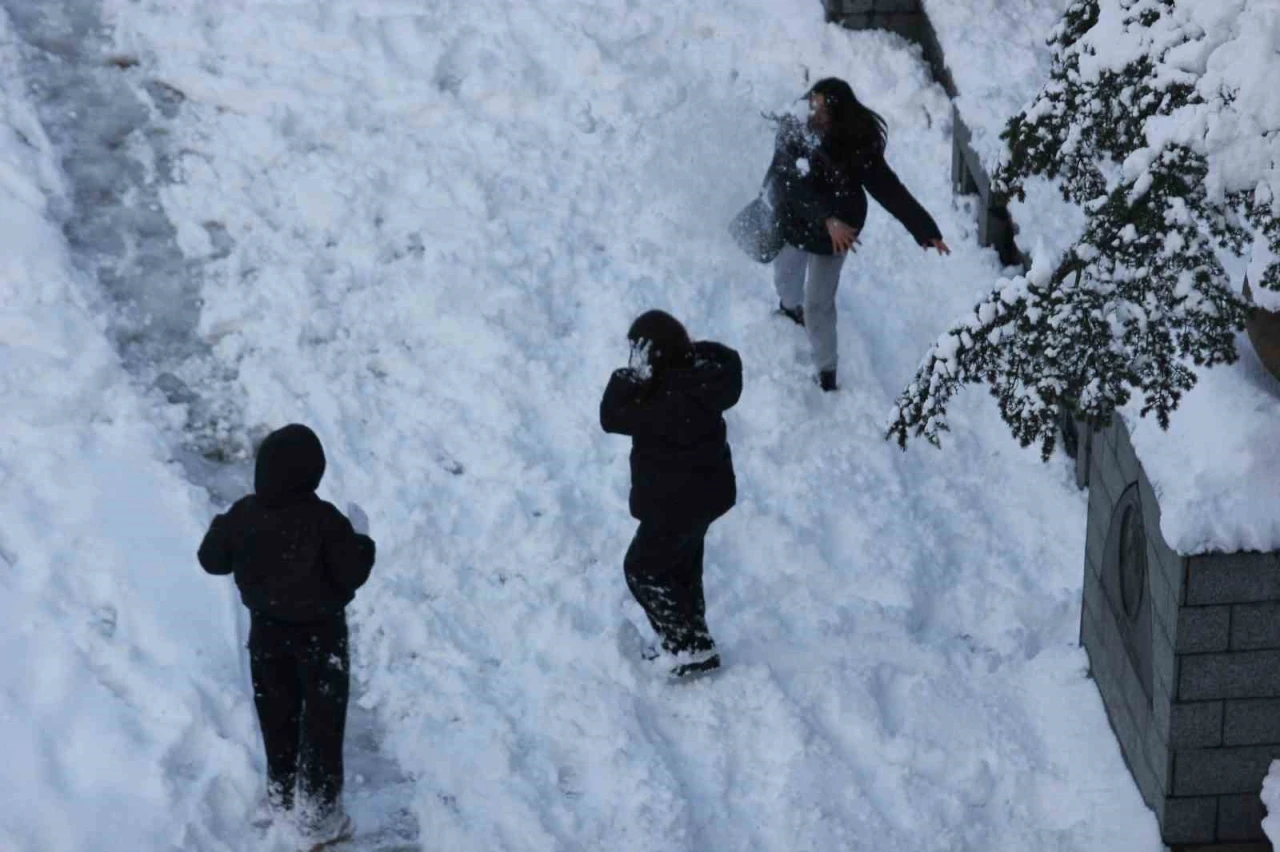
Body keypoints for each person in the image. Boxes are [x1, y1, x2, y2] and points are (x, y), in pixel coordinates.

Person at [197, 423, 375, 847]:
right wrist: (362, 540)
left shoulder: (245, 515)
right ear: (312, 472)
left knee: (277, 715)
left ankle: (280, 796)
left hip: (267, 638)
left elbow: (211, 560)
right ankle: (319, 817)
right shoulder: (325, 520)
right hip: (322, 640)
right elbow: (353, 571)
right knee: (321, 724)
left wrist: (226, 525)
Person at [765, 77, 950, 391]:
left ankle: (826, 372)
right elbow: (789, 184)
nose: (813, 111)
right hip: (798, 219)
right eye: (812, 103)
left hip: (838, 232)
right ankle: (789, 309)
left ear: (838, 112)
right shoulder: (794, 129)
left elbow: (887, 188)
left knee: (819, 304)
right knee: (786, 276)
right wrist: (825, 218)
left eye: (821, 107)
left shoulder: (855, 140)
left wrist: (924, 229)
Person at [600, 310, 742, 678]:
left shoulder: (666, 399)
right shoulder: (703, 379)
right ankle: (695, 639)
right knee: (682, 568)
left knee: (642, 569)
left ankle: (689, 647)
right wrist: (688, 349)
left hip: (676, 503)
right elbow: (725, 358)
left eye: (639, 352)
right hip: (705, 496)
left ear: (654, 356)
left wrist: (633, 374)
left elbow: (611, 417)